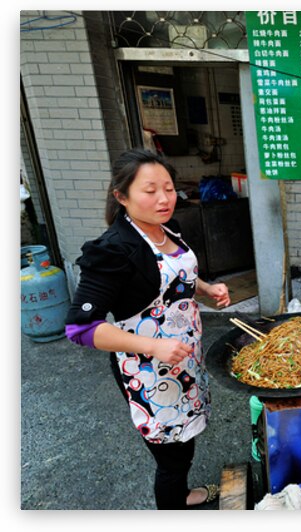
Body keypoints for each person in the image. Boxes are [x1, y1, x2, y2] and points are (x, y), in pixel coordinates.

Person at [64, 148, 231, 510]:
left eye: (168, 188)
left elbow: (176, 273)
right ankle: (173, 505)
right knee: (171, 456)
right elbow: (80, 329)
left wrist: (204, 288)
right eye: (150, 190)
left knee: (183, 440)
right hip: (149, 370)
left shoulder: (167, 228)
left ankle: (181, 492)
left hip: (184, 355)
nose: (164, 198)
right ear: (121, 196)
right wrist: (152, 347)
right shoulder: (113, 250)